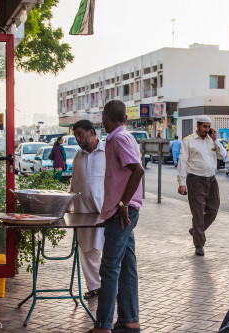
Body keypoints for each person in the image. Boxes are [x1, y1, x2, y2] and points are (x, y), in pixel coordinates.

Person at [89, 100, 144, 333]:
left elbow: (137, 169)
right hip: (121, 210)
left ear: (105, 119)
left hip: (123, 211)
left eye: (103, 118)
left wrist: (122, 204)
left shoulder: (120, 138)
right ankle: (130, 320)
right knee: (127, 264)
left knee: (109, 267)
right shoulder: (121, 137)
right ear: (126, 118)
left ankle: (103, 325)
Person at [177, 115, 227, 256]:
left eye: (208, 127)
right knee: (198, 213)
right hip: (195, 180)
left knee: (213, 210)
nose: (206, 129)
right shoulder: (188, 141)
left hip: (211, 180)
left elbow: (223, 156)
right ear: (198, 126)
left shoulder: (212, 141)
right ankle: (199, 244)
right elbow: (181, 162)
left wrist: (216, 140)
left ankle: (196, 231)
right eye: (204, 126)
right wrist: (181, 183)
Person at [71, 120, 105, 300]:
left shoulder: (107, 153)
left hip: (105, 211)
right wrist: (69, 206)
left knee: (109, 250)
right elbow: (74, 183)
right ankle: (95, 286)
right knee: (86, 250)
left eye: (80, 134)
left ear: (92, 132)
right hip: (82, 212)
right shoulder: (78, 156)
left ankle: (111, 287)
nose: (77, 138)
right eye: (75, 135)